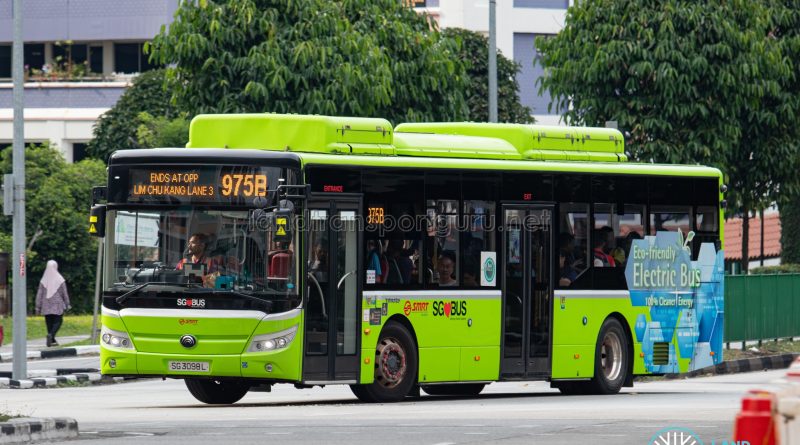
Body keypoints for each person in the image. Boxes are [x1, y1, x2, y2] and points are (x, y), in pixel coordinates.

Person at [35, 260, 70, 347]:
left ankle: (52, 339)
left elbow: (39, 294)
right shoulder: (60, 279)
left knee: (49, 322)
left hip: (46, 304)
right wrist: (67, 303)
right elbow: (64, 293)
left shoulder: (43, 280)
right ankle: (51, 336)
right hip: (57, 304)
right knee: (58, 321)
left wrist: (37, 307)